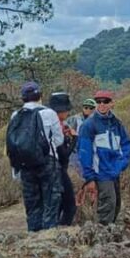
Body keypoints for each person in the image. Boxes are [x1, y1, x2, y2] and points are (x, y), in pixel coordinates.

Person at [6, 81, 64, 232]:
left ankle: (33, 235)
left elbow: (13, 143)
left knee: (32, 203)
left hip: (25, 164)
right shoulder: (49, 113)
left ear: (23, 98)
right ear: (40, 95)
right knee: (51, 200)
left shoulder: (15, 115)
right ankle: (48, 235)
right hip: (47, 162)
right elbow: (59, 139)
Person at [77, 90, 130, 225]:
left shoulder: (116, 123)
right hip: (100, 172)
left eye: (105, 101)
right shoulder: (89, 125)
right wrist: (89, 178)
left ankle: (109, 237)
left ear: (112, 103)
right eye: (98, 101)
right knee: (107, 206)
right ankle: (102, 239)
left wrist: (122, 163)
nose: (101, 104)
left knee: (116, 204)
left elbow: (126, 144)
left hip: (114, 171)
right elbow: (84, 152)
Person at [48, 92, 77, 227]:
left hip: (49, 170)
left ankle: (53, 230)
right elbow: (64, 154)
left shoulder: (47, 124)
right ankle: (60, 232)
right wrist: (74, 139)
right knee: (70, 205)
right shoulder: (57, 126)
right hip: (59, 170)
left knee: (56, 204)